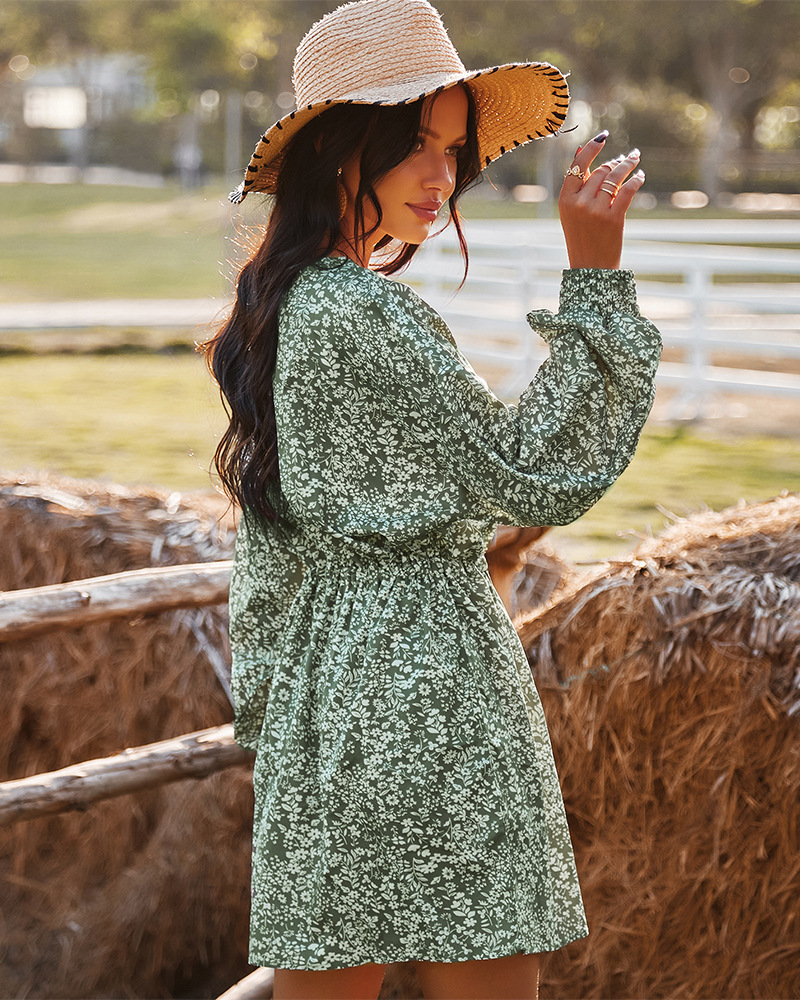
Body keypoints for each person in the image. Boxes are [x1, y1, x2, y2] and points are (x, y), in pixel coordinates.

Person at [203, 1, 661, 998]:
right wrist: (594, 280)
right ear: (340, 152)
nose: (440, 177)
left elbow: (273, 557)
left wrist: (282, 724)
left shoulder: (283, 305)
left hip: (334, 697)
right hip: (436, 684)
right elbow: (530, 470)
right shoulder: (362, 313)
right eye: (413, 145)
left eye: (452, 151)